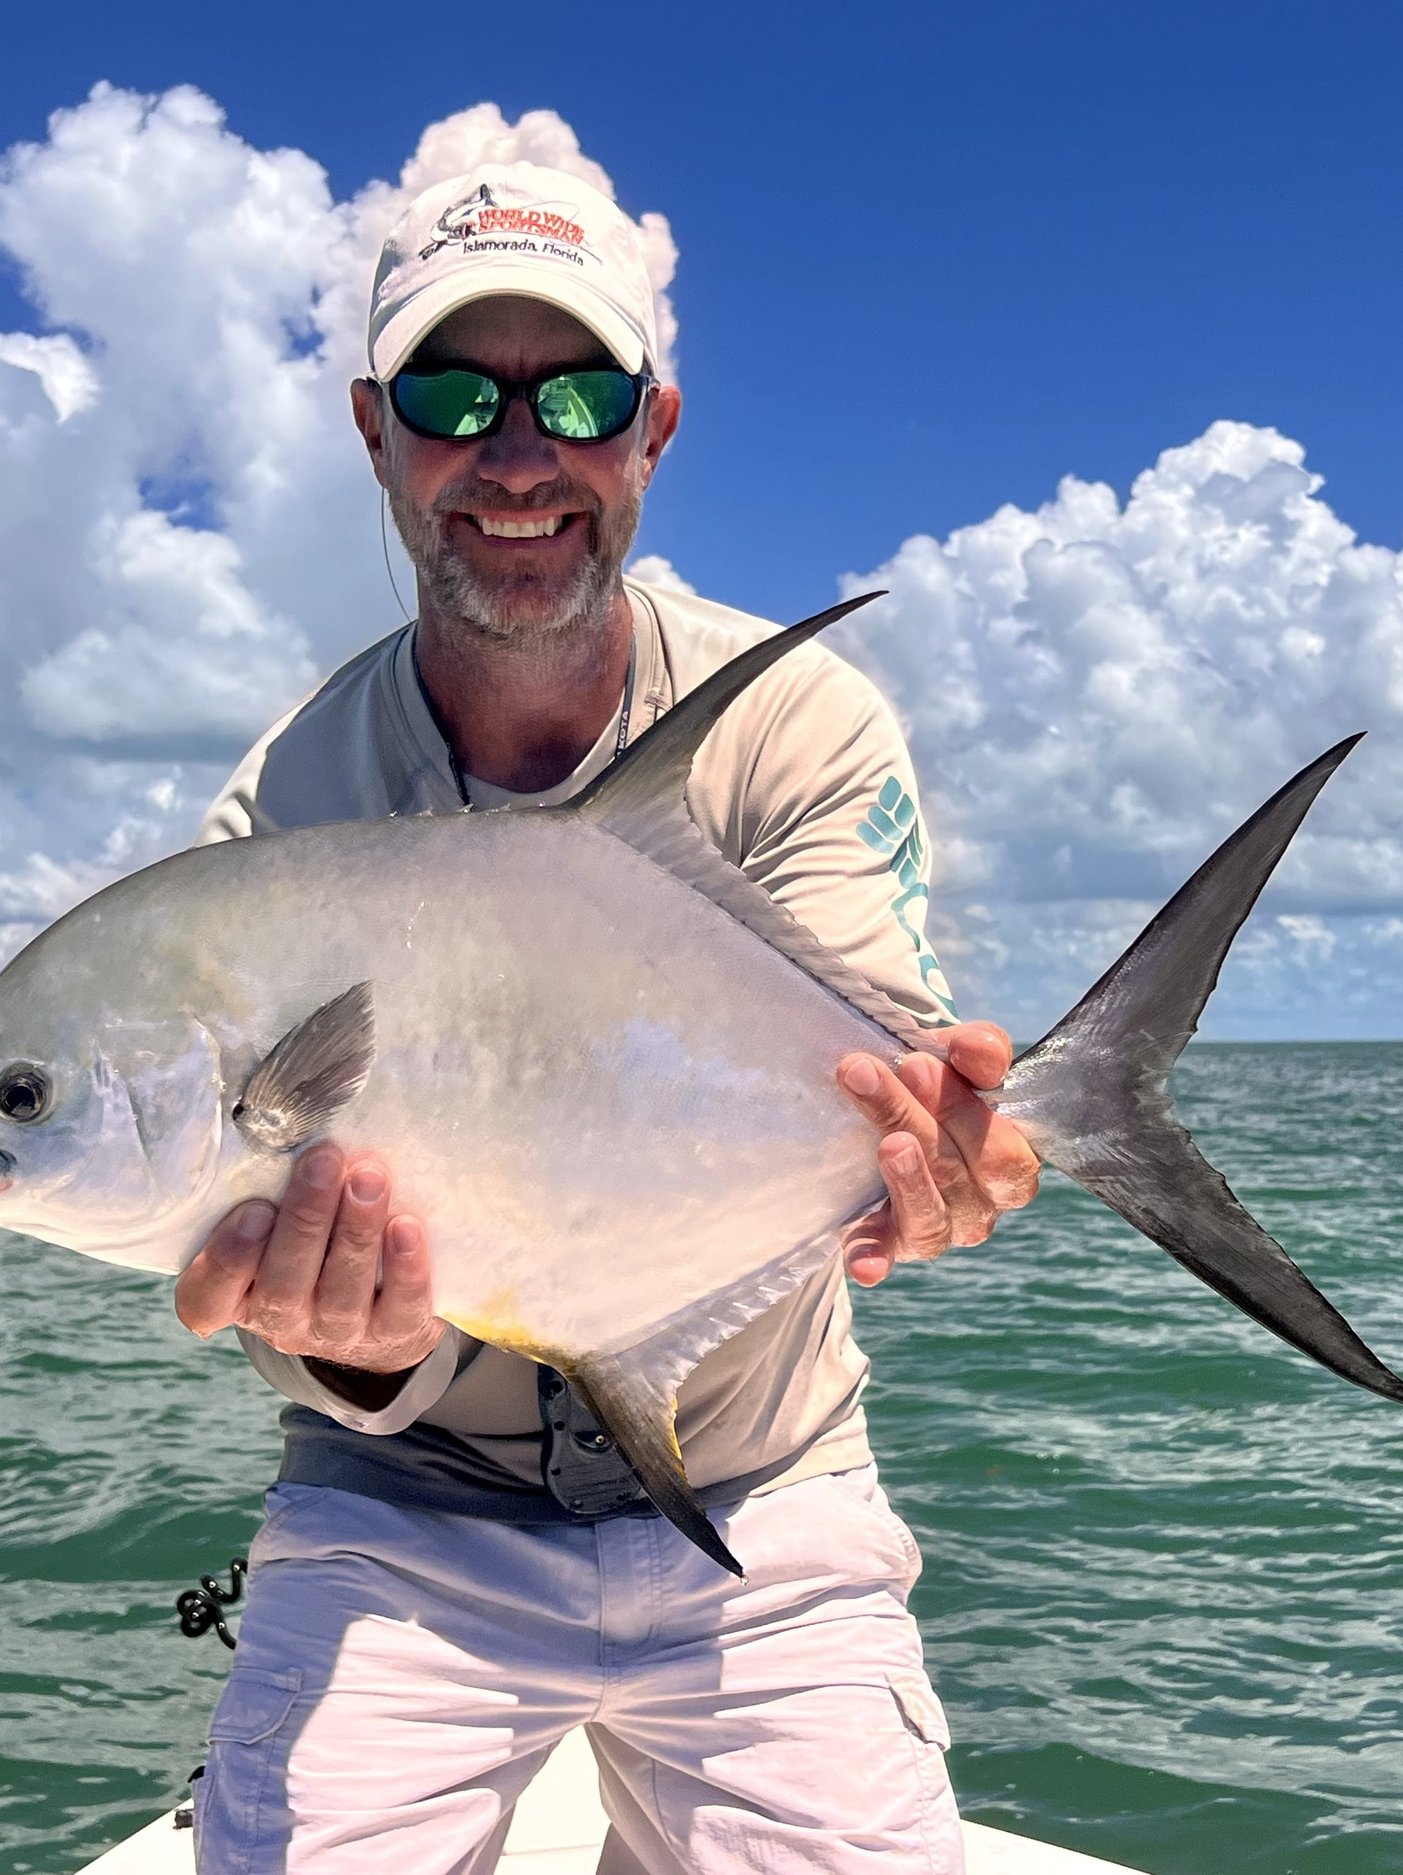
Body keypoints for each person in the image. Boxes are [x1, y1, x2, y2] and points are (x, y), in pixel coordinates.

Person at [172, 160, 1039, 1874]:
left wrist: (927, 1163)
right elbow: (258, 1266)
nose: (514, 455)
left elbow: (877, 1073)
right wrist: (346, 1337)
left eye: (577, 396)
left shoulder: (796, 725)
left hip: (763, 1477)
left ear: (652, 431)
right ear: (373, 430)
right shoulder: (282, 823)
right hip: (406, 1513)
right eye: (450, 394)